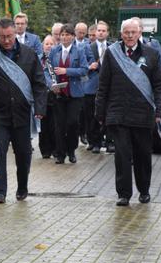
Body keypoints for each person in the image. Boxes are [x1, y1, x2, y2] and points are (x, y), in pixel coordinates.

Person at [95, 18, 161, 206]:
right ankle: (124, 194)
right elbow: (103, 85)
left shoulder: (151, 54)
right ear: (121, 34)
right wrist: (100, 113)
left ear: (139, 33)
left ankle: (144, 191)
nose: (129, 36)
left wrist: (160, 111)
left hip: (143, 114)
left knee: (143, 155)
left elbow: (160, 85)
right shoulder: (112, 53)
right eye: (126, 32)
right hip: (118, 114)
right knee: (122, 155)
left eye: (133, 32)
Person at [0, 18, 46, 204]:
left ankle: (22, 187)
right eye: (2, 37)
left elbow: (39, 83)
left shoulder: (29, 54)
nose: (6, 40)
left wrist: (40, 108)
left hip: (22, 114)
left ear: (15, 34)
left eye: (9, 36)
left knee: (23, 154)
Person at [48, 24, 88, 164]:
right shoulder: (54, 50)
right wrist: (51, 84)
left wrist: (67, 71)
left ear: (72, 36)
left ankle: (71, 150)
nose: (64, 37)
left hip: (74, 93)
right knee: (59, 125)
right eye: (62, 35)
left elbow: (84, 70)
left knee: (72, 123)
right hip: (58, 93)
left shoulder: (79, 51)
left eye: (67, 35)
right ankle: (60, 154)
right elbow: (47, 70)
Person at [85, 21, 111, 153]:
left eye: (103, 31)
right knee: (92, 115)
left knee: (108, 114)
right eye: (99, 30)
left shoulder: (112, 47)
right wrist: (89, 67)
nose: (100, 33)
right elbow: (82, 65)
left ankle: (109, 141)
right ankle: (95, 142)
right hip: (92, 85)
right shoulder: (88, 47)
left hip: (108, 87)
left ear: (107, 33)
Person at [38, 35, 57, 158]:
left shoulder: (57, 58)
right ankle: (45, 150)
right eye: (47, 44)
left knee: (54, 124)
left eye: (51, 44)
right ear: (42, 45)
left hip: (55, 94)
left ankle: (55, 148)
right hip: (41, 95)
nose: (49, 46)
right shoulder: (38, 58)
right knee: (43, 123)